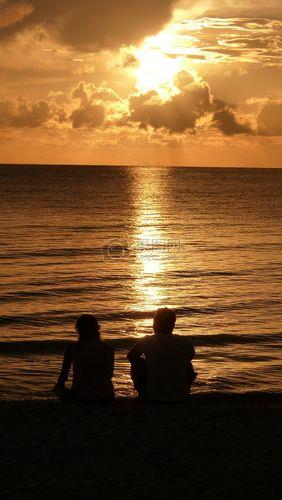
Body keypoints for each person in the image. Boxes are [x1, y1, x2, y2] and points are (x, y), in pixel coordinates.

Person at [127, 307, 197, 403]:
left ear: (156, 323)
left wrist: (146, 363)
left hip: (153, 396)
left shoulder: (147, 340)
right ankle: (181, 389)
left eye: (155, 321)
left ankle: (142, 394)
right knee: (187, 363)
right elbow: (190, 356)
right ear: (173, 325)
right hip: (182, 396)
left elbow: (130, 356)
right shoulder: (186, 342)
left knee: (137, 363)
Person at [53, 314, 115, 403]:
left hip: (81, 397)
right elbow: (109, 374)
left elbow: (63, 376)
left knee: (58, 389)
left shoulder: (72, 348)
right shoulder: (108, 349)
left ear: (78, 330)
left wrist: (59, 387)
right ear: (97, 329)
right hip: (107, 397)